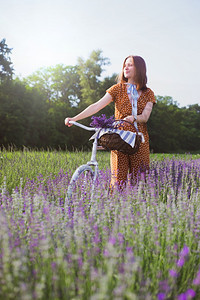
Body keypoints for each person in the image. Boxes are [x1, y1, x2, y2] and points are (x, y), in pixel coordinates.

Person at [65, 55, 156, 188]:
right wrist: (74, 118)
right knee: (118, 181)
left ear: (140, 68)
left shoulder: (148, 93)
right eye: (125, 64)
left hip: (139, 140)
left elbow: (146, 116)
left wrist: (134, 117)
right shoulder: (117, 89)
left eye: (130, 64)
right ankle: (115, 207)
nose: (126, 67)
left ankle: (138, 207)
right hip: (119, 140)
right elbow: (96, 106)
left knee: (140, 182)